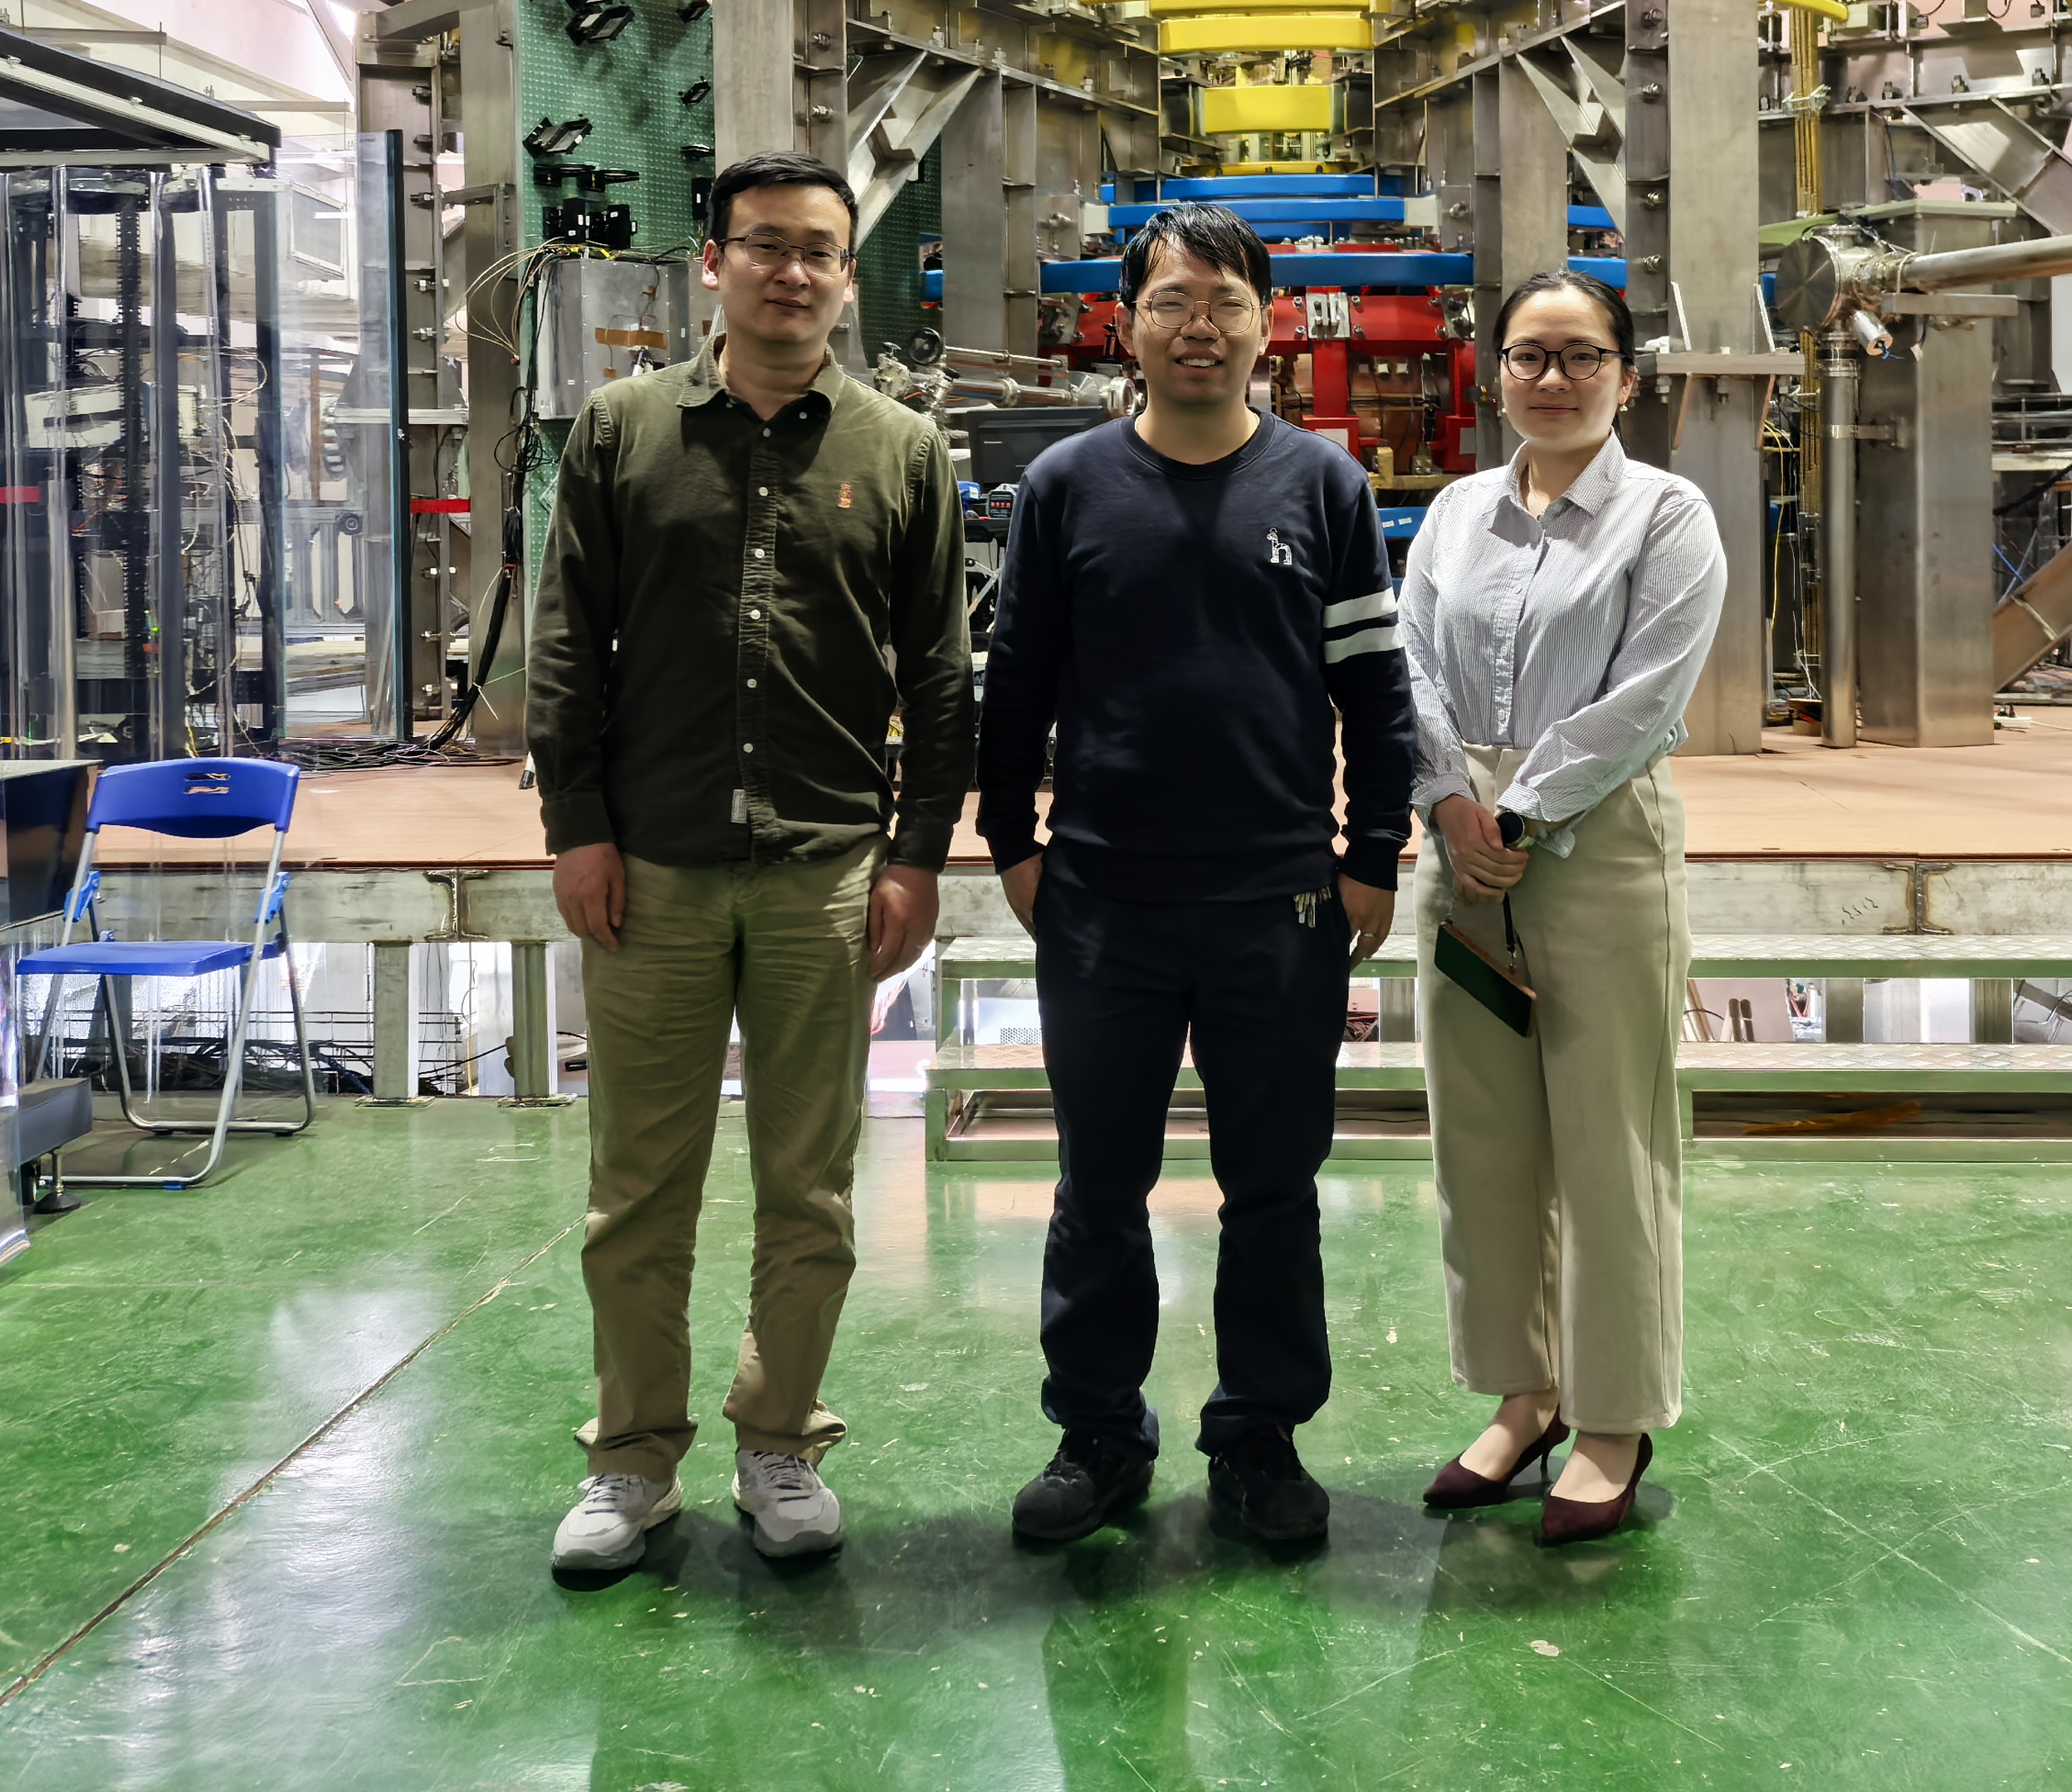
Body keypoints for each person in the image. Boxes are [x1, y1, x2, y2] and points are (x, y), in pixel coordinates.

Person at [525, 153, 971, 1574]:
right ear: (712, 263)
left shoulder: (901, 451)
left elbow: (941, 674)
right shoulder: (623, 431)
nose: (792, 272)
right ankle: (631, 1459)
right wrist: (578, 827)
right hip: (649, 866)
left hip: (824, 870)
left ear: (846, 278)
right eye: (765, 246)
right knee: (637, 1192)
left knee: (811, 1188)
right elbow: (564, 641)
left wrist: (915, 856)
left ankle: (780, 1442)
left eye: (818, 252)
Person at [979, 200, 1418, 1548]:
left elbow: (1374, 692)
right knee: (1097, 1184)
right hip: (1103, 900)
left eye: (1225, 302)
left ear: (1266, 323)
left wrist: (1372, 853)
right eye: (1172, 302)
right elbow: (1016, 683)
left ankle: (1260, 1438)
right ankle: (1098, 1435)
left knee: (1273, 1189)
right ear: (1128, 324)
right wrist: (1012, 842)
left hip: (1276, 902)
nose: (1199, 327)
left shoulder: (1325, 487)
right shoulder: (1065, 487)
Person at [1399, 268, 1727, 1545]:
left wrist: (1521, 814)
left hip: (1595, 846)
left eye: (1582, 355)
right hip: (1461, 844)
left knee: (1608, 1142)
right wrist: (1450, 805)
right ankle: (1524, 1394)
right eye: (1530, 354)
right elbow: (1409, 667)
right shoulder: (1455, 515)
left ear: (1625, 377)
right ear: (1495, 374)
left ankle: (1613, 1417)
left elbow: (1650, 692)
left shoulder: (1666, 516)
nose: (1553, 377)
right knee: (1480, 1142)